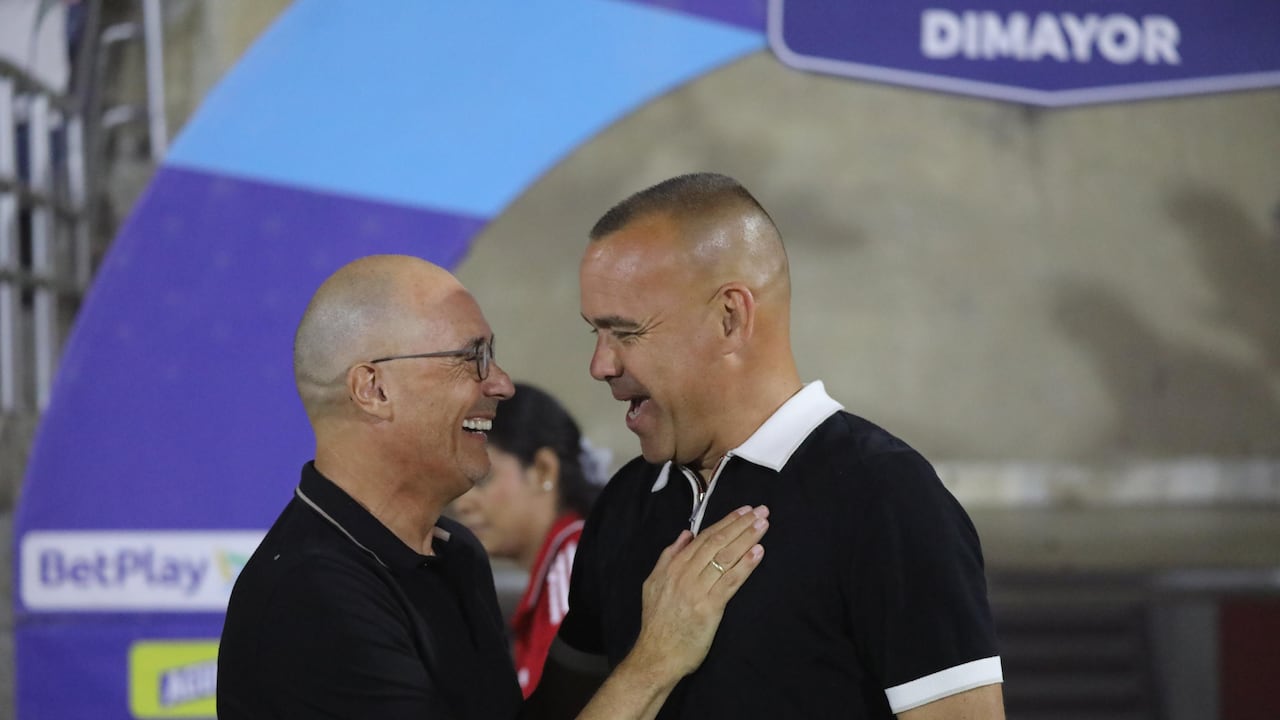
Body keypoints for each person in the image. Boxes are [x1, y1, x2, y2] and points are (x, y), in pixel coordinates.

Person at [216, 254, 770, 720]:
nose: (501, 383)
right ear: (374, 388)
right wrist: (657, 659)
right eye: (471, 357)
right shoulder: (312, 595)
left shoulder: (456, 557)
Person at [536, 173, 1005, 718]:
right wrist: (653, 660)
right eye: (593, 333)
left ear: (730, 317)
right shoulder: (624, 503)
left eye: (626, 333)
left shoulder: (885, 496)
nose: (601, 365)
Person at [453, 382, 611, 697]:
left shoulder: (575, 565)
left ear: (542, 470)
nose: (462, 503)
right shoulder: (566, 562)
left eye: (483, 478)